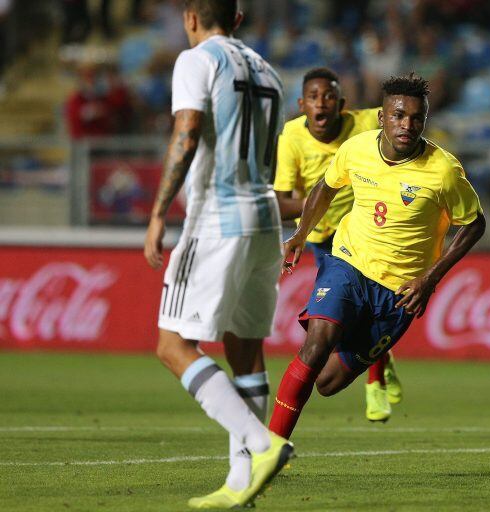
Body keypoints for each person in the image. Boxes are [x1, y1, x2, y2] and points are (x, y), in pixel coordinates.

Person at [269, 73, 486, 440]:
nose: (407, 125)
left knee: (327, 382)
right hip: (348, 263)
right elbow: (326, 186)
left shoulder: (444, 171)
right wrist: (301, 234)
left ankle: (374, 368)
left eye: (416, 118)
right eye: (399, 116)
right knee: (316, 344)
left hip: (400, 292)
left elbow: (474, 224)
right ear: (382, 118)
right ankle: (269, 450)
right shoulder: (356, 149)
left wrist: (430, 279)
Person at [142, 0, 292, 508]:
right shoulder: (269, 71)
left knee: (171, 344)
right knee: (245, 349)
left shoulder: (197, 59)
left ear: (190, 17)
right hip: (265, 219)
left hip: (217, 220)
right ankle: (240, 480)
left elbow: (186, 131)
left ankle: (260, 443)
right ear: (239, 19)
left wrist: (160, 211)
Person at [274, 66, 404, 423]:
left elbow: (400, 124)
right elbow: (280, 200)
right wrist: (317, 204)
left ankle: (374, 384)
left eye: (329, 96)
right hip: (318, 236)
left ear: (341, 104)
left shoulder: (363, 124)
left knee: (354, 312)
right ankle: (382, 363)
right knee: (343, 321)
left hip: (361, 235)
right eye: (314, 97)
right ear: (302, 104)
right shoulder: (291, 136)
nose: (322, 103)